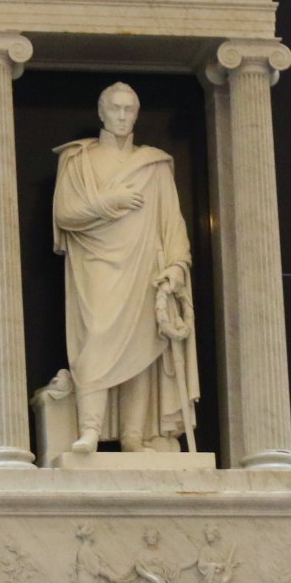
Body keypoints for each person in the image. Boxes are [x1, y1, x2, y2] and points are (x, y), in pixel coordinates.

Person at [53, 81, 198, 455]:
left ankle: (134, 435)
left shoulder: (154, 165)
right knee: (97, 338)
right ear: (101, 112)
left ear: (136, 114)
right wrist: (108, 202)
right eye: (115, 109)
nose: (121, 116)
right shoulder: (78, 159)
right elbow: (65, 214)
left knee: (143, 350)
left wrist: (178, 266)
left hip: (144, 267)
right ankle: (89, 430)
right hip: (97, 267)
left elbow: (173, 222)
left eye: (128, 110)